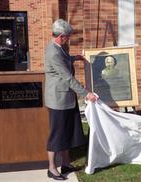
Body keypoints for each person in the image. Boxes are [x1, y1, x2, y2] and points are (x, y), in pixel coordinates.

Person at [44, 19, 98, 180]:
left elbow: (65, 60)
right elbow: (68, 78)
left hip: (67, 98)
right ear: (61, 36)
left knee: (67, 132)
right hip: (58, 100)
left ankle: (66, 164)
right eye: (67, 37)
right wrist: (86, 93)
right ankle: (52, 168)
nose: (69, 39)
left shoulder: (59, 47)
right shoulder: (53, 52)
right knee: (57, 134)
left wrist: (75, 58)